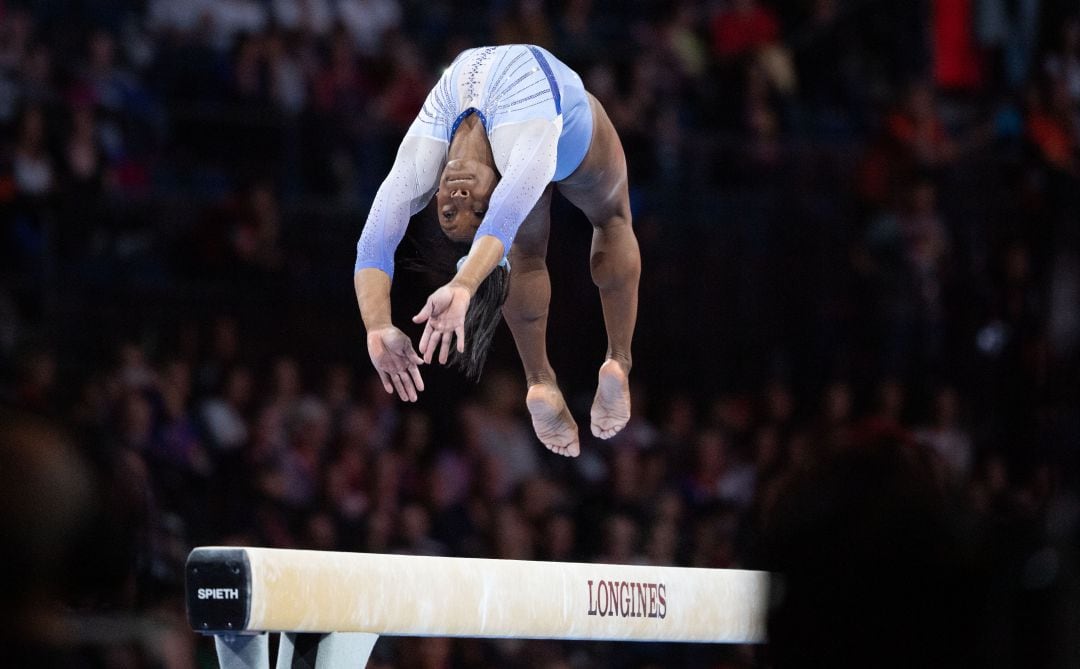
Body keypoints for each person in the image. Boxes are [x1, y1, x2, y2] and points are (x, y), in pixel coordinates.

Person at [353, 44, 641, 457]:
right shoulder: (522, 153)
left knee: (525, 252)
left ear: (434, 198)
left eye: (450, 210)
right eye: (474, 207)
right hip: (568, 130)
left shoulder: (423, 154)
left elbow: (373, 243)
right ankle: (611, 362)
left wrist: (377, 325)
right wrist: (467, 284)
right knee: (612, 218)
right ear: (499, 189)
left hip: (531, 141)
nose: (461, 197)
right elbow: (500, 226)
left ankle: (545, 380)